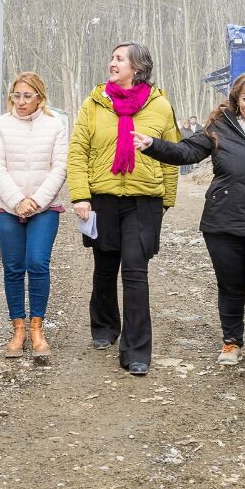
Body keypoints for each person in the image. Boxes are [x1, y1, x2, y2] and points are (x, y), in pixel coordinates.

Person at [132, 69, 245, 386]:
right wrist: (153, 144)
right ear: (236, 100)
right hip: (224, 222)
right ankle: (232, 341)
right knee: (232, 286)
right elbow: (186, 152)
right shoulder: (220, 127)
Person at [68, 42, 180, 376]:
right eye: (112, 57)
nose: (112, 62)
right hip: (102, 198)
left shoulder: (160, 106)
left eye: (119, 58)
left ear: (137, 66)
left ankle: (136, 351)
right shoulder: (94, 102)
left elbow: (171, 153)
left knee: (135, 271)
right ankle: (103, 327)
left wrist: (167, 200)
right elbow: (78, 151)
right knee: (105, 269)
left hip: (143, 200)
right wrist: (80, 196)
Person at [0, 72, 69, 363]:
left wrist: (35, 201)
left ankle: (37, 327)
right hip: (7, 208)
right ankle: (18, 328)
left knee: (37, 263)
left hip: (44, 208)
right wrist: (17, 200)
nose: (20, 102)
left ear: (40, 97)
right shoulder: (0, 125)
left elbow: (60, 168)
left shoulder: (54, 126)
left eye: (27, 96)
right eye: (16, 95)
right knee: (12, 267)